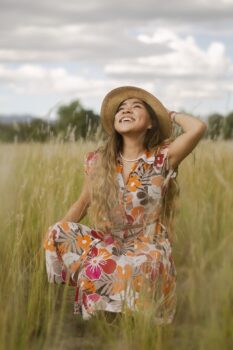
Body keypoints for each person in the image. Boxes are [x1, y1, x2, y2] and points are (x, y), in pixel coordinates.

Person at [43, 86, 207, 324]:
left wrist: (167, 114)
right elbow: (83, 203)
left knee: (135, 263)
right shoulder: (97, 160)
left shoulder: (163, 156)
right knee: (58, 232)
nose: (126, 110)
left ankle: (126, 312)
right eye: (121, 109)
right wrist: (58, 234)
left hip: (148, 243)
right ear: (115, 121)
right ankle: (103, 303)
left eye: (136, 107)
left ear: (150, 123)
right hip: (109, 241)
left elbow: (198, 128)